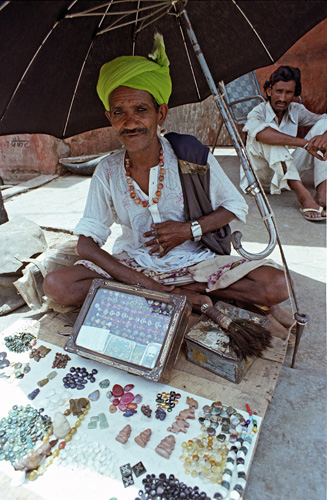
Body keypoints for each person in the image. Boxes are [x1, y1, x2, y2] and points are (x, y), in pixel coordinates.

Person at [43, 34, 289, 326]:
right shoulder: (107, 170)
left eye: (141, 110)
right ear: (109, 117)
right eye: (119, 112)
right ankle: (163, 293)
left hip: (195, 265)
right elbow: (86, 244)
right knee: (57, 285)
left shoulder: (190, 157)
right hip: (132, 266)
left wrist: (188, 230)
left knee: (275, 285)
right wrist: (143, 281)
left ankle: (178, 291)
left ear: (160, 113)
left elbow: (236, 206)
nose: (130, 122)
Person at [241, 65, 327, 221]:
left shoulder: (296, 110)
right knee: (267, 134)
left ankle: (323, 193)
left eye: (288, 93)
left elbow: (324, 120)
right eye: (279, 91)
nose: (282, 98)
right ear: (269, 91)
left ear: (294, 94)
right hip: (260, 180)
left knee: (324, 127)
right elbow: (262, 134)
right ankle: (304, 196)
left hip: (286, 174)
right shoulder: (258, 111)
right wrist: (305, 143)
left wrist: (325, 135)